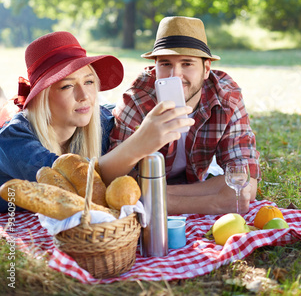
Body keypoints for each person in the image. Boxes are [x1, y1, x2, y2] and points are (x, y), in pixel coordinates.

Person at [0, 31, 193, 213]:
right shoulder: (13, 139)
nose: (84, 96)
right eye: (67, 86)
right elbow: (68, 185)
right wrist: (139, 144)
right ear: (42, 97)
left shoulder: (102, 121)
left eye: (89, 82)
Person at [111, 16, 261, 215]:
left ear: (206, 69)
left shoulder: (226, 97)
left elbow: (245, 184)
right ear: (154, 67)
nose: (175, 74)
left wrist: (155, 196)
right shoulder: (136, 100)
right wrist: (212, 202)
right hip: (154, 176)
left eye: (187, 64)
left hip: (168, 184)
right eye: (165, 64)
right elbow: (118, 186)